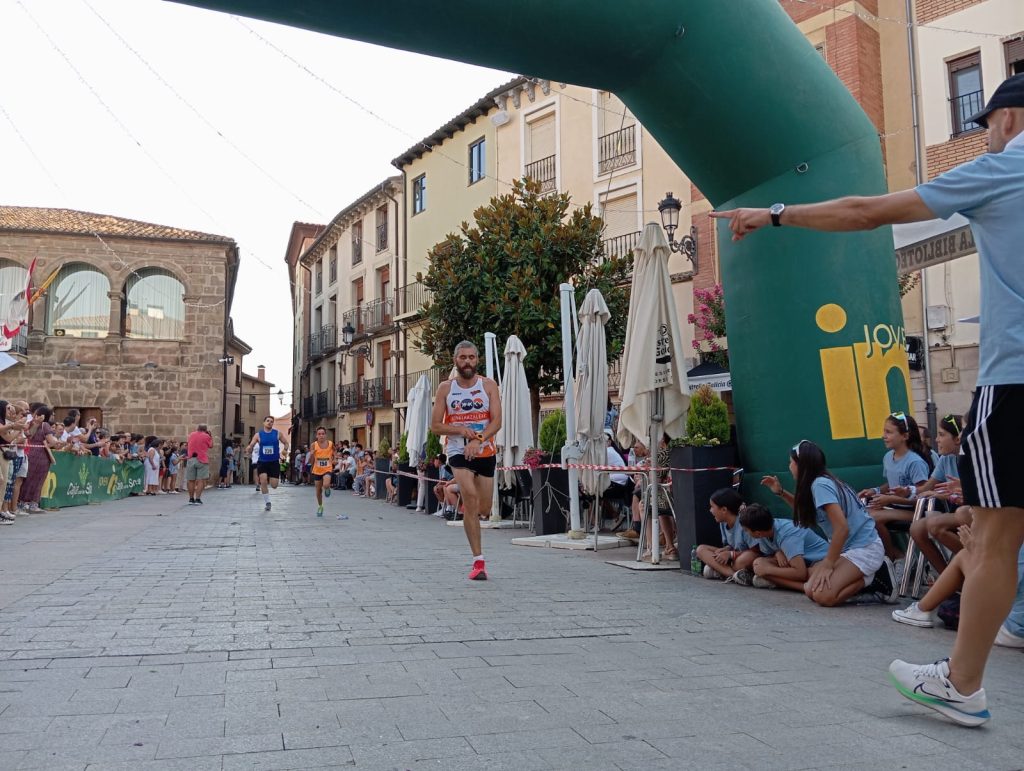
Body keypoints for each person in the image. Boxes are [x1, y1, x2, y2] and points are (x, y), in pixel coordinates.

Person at [713, 73, 1024, 726]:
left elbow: (865, 212)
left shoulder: (1003, 169)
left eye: (988, 126)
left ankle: (962, 684)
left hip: (1016, 382)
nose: (987, 138)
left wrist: (774, 214)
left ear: (1011, 118)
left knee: (993, 541)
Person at [762, 440, 897, 607]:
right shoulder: (819, 482)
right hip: (848, 550)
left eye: (791, 462)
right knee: (810, 590)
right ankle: (866, 577)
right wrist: (781, 492)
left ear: (801, 465)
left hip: (864, 549)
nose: (789, 466)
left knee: (823, 596)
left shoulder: (820, 485)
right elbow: (805, 511)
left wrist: (828, 564)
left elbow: (842, 528)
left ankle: (876, 579)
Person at [431, 340, 503, 581]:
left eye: (471, 357)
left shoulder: (489, 385)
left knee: (483, 508)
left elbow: (497, 421)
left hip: (485, 451)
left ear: (477, 360)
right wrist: (460, 430)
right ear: (456, 360)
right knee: (470, 498)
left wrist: (478, 439)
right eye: (463, 357)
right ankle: (478, 561)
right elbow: (435, 426)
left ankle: (471, 511)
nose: (467, 362)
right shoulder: (445, 388)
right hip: (457, 451)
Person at [858, 412, 932, 576]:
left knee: (872, 518)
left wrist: (890, 499)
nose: (883, 436)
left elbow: (923, 497)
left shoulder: (915, 462)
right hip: (895, 507)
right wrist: (875, 491)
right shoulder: (887, 457)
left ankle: (896, 558)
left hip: (916, 512)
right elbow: (890, 484)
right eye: (884, 431)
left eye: (889, 432)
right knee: (861, 515)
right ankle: (896, 556)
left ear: (904, 436)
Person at [909, 414, 966, 574]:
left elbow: (977, 497)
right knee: (916, 529)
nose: (936, 439)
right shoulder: (945, 459)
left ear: (957, 439)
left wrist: (948, 496)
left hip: (973, 513)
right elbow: (925, 488)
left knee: (935, 525)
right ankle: (948, 577)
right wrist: (907, 491)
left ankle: (975, 562)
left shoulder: (971, 459)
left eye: (941, 435)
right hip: (957, 512)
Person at [740, 502, 830, 591]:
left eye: (746, 530)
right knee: (758, 564)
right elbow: (769, 554)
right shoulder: (764, 532)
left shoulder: (786, 535)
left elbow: (801, 573)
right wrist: (777, 552)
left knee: (811, 574)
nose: (746, 532)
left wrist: (768, 570)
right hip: (798, 562)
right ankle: (801, 585)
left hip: (821, 561)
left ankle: (802, 587)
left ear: (757, 533)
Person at [696, 487, 757, 583]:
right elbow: (731, 545)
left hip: (744, 558)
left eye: (712, 507)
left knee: (744, 559)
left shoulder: (744, 522)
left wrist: (731, 554)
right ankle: (734, 575)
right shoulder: (723, 523)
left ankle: (723, 571)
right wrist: (725, 549)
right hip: (733, 557)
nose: (710, 510)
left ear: (724, 509)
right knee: (701, 549)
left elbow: (756, 551)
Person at [246, 416, 289, 512]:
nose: (270, 422)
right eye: (268, 421)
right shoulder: (258, 435)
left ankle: (271, 480)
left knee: (274, 485)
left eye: (271, 421)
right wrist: (249, 448)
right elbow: (252, 444)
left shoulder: (277, 434)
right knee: (263, 480)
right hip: (262, 462)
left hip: (274, 462)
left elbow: (286, 443)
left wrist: (285, 450)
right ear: (264, 422)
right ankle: (268, 502)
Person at [309, 426, 342, 519]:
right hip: (317, 469)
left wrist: (335, 458)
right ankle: (320, 506)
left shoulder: (330, 443)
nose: (321, 436)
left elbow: (334, 451)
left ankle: (327, 488)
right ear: (316, 435)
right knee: (318, 490)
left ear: (325, 435)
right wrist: (311, 455)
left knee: (326, 484)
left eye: (323, 434)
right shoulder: (313, 445)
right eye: (319, 434)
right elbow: (311, 461)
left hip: (327, 468)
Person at [185, 423, 213, 505]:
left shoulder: (191, 434)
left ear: (198, 428)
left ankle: (191, 499)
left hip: (191, 459)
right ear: (205, 430)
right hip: (202, 459)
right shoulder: (207, 436)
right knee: (201, 480)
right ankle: (197, 499)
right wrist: (210, 436)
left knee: (191, 480)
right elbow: (211, 445)